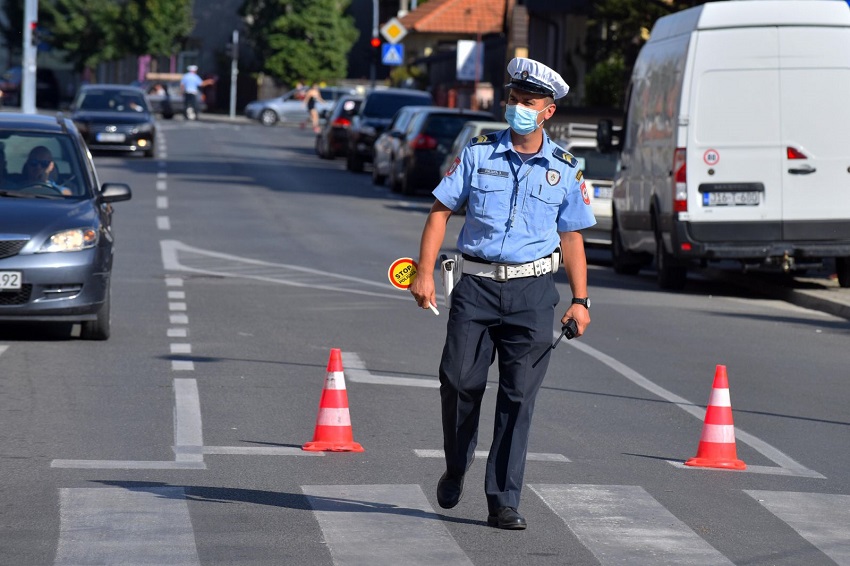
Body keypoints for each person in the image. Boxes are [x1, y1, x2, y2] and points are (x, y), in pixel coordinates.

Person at [409, 57, 596, 530]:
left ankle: (503, 500)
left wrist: (580, 300)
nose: (518, 108)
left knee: (518, 397)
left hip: (533, 293)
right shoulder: (478, 154)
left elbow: (572, 236)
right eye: (513, 99)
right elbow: (439, 212)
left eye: (528, 102)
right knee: (458, 381)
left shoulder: (565, 169)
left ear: (548, 112)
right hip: (476, 287)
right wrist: (423, 273)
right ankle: (456, 465)